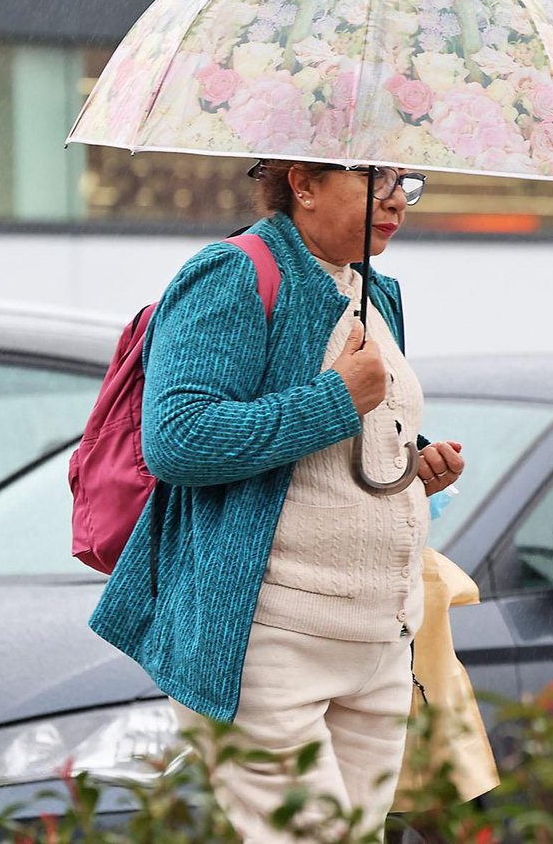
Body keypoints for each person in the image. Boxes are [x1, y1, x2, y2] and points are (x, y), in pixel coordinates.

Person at [89, 160, 465, 842]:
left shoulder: (373, 290)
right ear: (304, 184)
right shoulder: (232, 273)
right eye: (374, 179)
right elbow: (179, 438)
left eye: (404, 182)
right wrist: (335, 398)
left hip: (377, 640)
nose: (396, 201)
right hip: (267, 642)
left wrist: (411, 462)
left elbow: (344, 436)